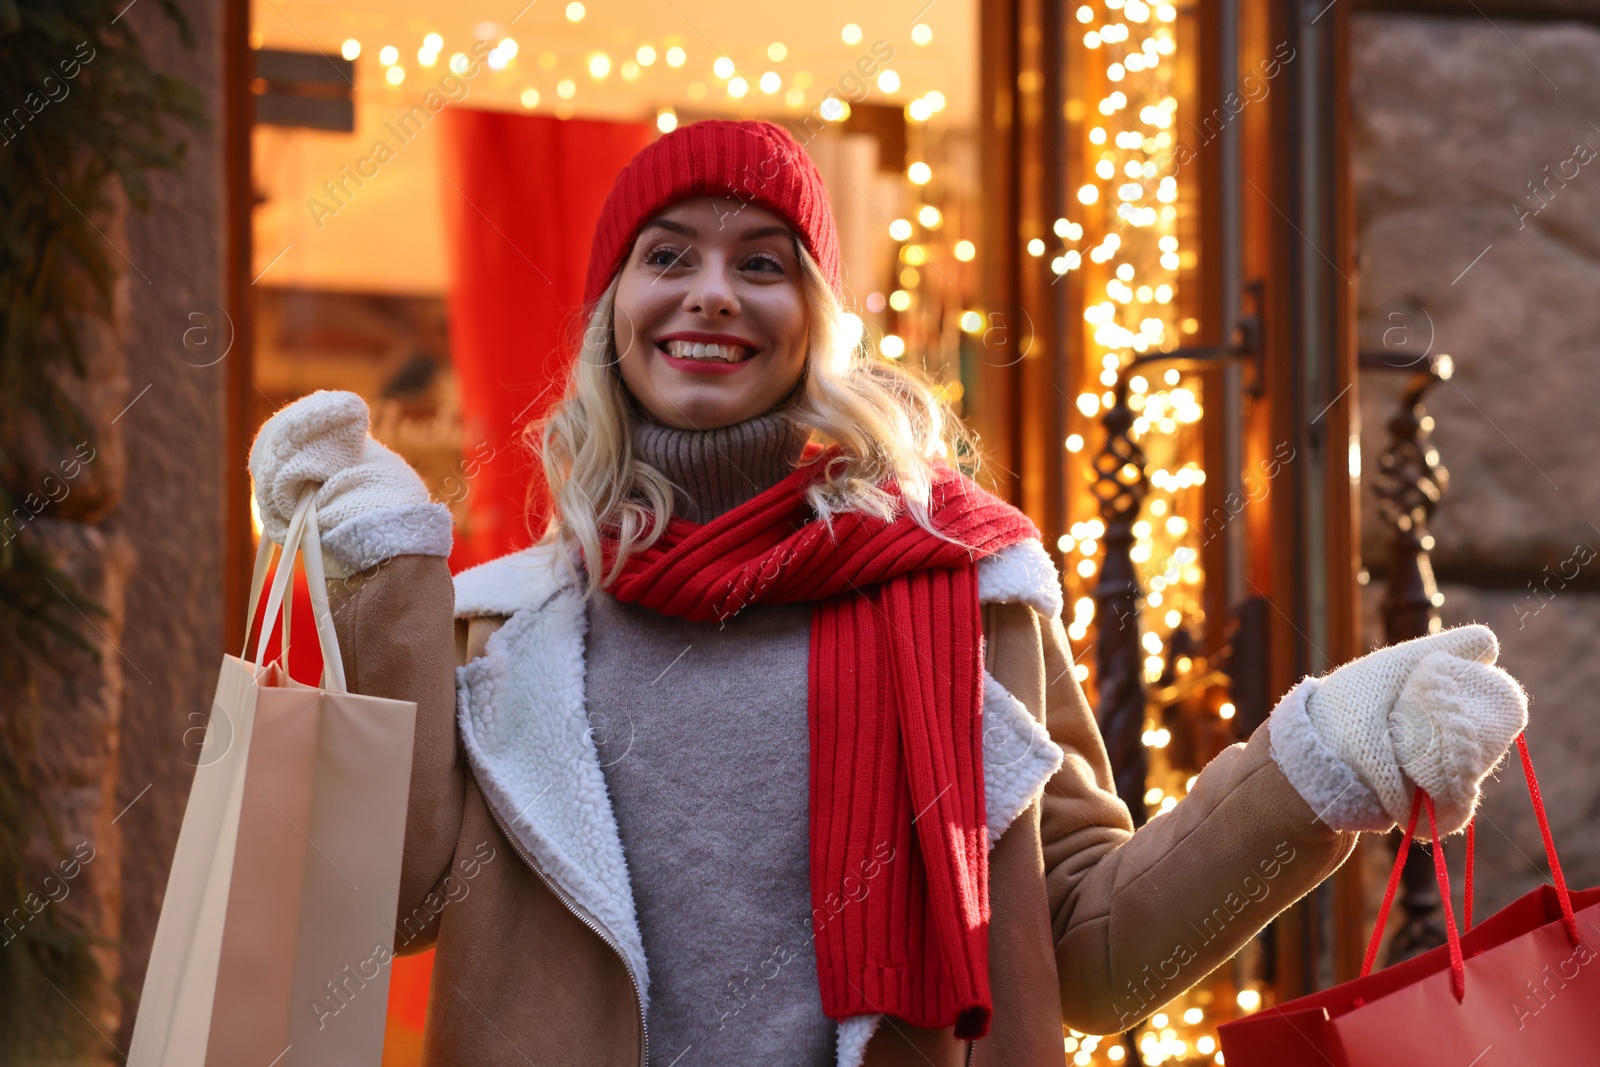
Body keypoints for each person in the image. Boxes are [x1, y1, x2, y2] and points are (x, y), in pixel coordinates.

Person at [247, 119, 1530, 1067]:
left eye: (763, 261)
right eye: (666, 254)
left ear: (816, 319)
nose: (710, 292)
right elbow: (394, 909)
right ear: (612, 312)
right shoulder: (511, 622)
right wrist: (377, 576)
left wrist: (1323, 760)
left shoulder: (969, 591)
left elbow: (1089, 944)